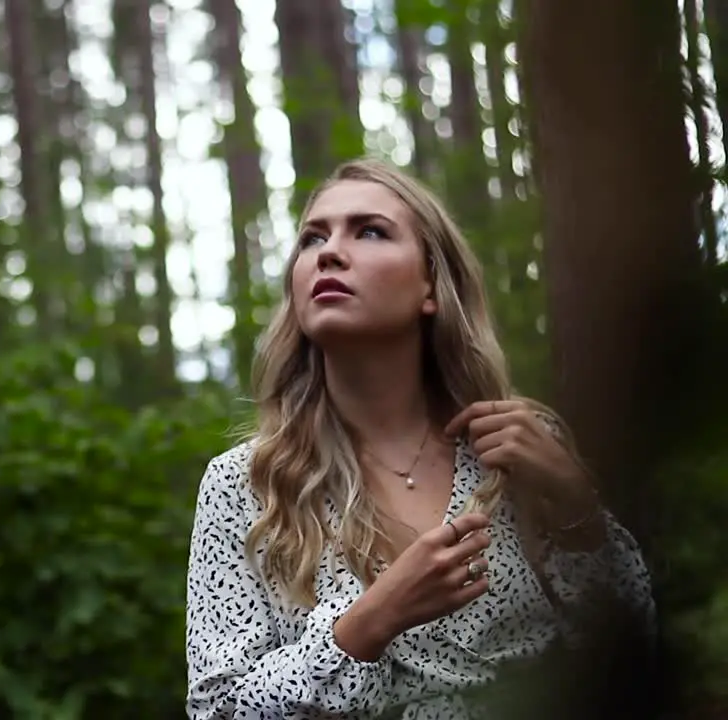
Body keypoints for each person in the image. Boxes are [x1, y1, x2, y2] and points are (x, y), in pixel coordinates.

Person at [183, 158, 654, 719]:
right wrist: (367, 624)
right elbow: (217, 712)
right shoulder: (245, 484)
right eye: (313, 238)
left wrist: (578, 507)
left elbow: (632, 648)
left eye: (370, 231)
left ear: (432, 285)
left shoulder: (519, 448)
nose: (329, 252)